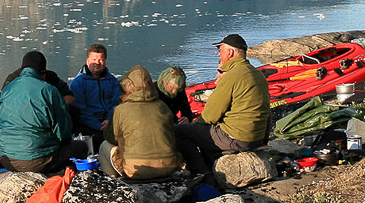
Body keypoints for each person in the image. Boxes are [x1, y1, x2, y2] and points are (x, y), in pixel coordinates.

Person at [175, 34, 269, 176]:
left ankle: (201, 172)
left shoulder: (232, 75)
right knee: (207, 132)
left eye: (221, 50)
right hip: (257, 138)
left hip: (237, 138)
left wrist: (195, 126)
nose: (218, 53)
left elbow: (209, 115)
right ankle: (214, 162)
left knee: (180, 131)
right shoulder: (257, 74)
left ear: (230, 52)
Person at [99, 66, 184, 181]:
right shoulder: (162, 106)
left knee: (104, 146)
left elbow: (112, 138)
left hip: (137, 170)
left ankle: (112, 184)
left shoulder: (121, 109)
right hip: (168, 166)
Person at [0, 50, 76, 174]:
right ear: (43, 73)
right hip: (37, 160)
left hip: (5, 158)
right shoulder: (48, 90)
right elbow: (63, 131)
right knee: (81, 148)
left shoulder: (8, 88)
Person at [69, 43, 122, 143]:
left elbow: (116, 102)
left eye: (100, 60)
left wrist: (109, 120)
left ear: (105, 61)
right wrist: (98, 125)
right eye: (94, 59)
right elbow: (80, 108)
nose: (97, 63)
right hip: (88, 125)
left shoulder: (112, 81)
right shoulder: (79, 82)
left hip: (110, 122)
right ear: (87, 61)